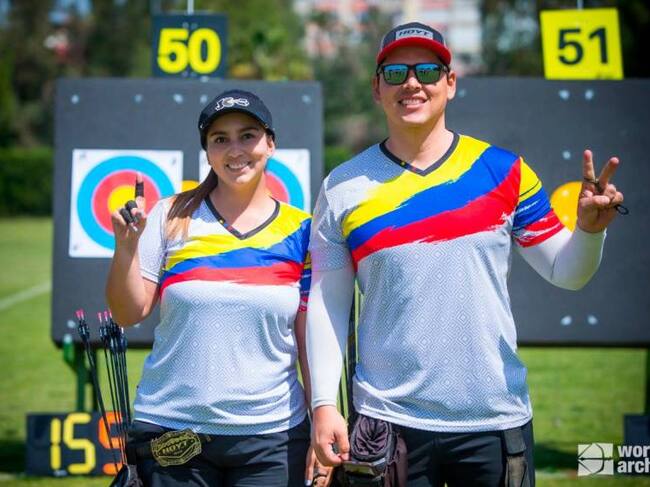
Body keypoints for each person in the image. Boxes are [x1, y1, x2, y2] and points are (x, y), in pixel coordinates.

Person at [306, 22, 624, 486]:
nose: (411, 83)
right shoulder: (342, 186)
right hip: (387, 421)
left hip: (493, 419)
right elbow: (327, 303)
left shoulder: (505, 172)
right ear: (376, 89)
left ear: (450, 83)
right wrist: (323, 405)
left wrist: (590, 233)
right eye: (395, 73)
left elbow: (566, 272)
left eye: (427, 71)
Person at [106, 89, 332, 487]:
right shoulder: (171, 215)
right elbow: (128, 313)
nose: (235, 149)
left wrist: (321, 417)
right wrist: (125, 250)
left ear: (270, 144)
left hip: (272, 435)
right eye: (220, 139)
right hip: (174, 427)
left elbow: (307, 336)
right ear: (207, 152)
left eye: (248, 135)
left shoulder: (301, 231)